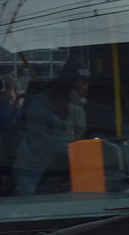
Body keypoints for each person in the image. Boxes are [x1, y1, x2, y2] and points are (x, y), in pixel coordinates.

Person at [12, 60, 91, 195]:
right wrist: (69, 149)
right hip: (33, 167)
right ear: (70, 82)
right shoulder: (41, 102)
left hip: (61, 168)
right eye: (81, 83)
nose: (86, 88)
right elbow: (38, 136)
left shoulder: (78, 106)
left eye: (87, 83)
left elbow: (78, 134)